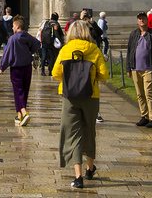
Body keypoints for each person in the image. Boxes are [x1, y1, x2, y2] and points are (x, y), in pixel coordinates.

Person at [51, 19, 109, 189]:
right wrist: (90, 78)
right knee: (89, 130)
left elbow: (55, 73)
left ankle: (78, 176)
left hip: (70, 97)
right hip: (91, 96)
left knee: (73, 133)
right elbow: (104, 75)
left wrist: (70, 79)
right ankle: (90, 169)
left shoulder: (65, 49)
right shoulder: (94, 49)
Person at [0, 14, 41, 126]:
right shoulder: (27, 36)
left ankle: (23, 111)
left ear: (17, 26)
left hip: (16, 68)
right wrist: (31, 51)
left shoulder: (13, 39)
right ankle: (19, 116)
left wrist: (2, 66)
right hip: (27, 66)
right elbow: (37, 44)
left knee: (18, 90)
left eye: (13, 26)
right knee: (24, 90)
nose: (12, 28)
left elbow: (7, 54)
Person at [125, 12, 152, 128]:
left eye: (143, 19)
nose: (142, 21)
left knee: (148, 93)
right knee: (140, 94)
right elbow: (129, 51)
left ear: (147, 20)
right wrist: (128, 68)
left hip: (148, 68)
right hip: (136, 68)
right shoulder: (133, 34)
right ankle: (144, 116)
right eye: (140, 19)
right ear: (137, 21)